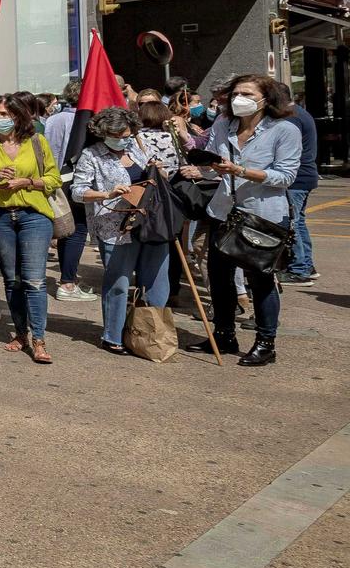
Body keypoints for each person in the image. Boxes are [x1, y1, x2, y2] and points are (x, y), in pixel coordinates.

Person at [180, 76, 301, 366]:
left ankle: (265, 342)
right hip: (223, 211)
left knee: (261, 280)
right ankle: (224, 334)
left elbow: (286, 176)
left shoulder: (284, 130)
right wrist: (207, 169)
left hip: (262, 215)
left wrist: (241, 171)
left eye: (247, 93)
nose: (239, 98)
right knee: (220, 280)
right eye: (235, 93)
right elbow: (217, 169)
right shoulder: (224, 124)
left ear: (266, 98)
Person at [68, 107, 170, 356]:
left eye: (127, 133)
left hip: (150, 224)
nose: (124, 138)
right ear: (104, 133)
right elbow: (77, 191)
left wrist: (159, 171)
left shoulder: (137, 147)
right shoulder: (91, 155)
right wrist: (107, 194)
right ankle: (112, 335)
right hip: (115, 226)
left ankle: (149, 333)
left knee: (156, 281)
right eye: (118, 134)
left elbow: (159, 177)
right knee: (119, 283)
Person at [0, 95, 63, 363]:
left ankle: (39, 339)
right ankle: (21, 333)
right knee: (12, 280)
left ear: (19, 115)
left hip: (34, 216)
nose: (0, 119)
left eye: (5, 114)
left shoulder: (36, 141)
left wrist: (27, 182)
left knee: (34, 279)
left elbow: (53, 179)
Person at [41, 95, 97, 302]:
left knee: (66, 229)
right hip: (74, 179)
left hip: (58, 179)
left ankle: (68, 278)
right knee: (77, 230)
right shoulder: (87, 118)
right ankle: (67, 283)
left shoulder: (54, 119)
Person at [284, 91, 320, 285]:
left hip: (297, 179)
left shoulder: (291, 118)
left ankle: (300, 270)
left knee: (294, 223)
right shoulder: (299, 113)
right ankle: (306, 265)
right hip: (304, 177)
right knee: (298, 222)